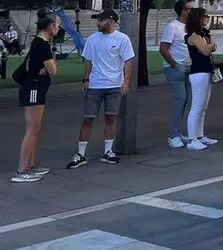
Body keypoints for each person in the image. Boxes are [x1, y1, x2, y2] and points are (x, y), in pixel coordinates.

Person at [66, 10, 134, 169]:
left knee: (111, 118)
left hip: (114, 85)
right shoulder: (92, 39)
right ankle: (81, 154)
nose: (98, 23)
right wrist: (86, 79)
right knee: (88, 118)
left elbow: (128, 62)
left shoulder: (122, 39)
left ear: (111, 21)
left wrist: (126, 82)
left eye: (101, 21)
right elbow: (88, 60)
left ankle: (108, 151)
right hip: (95, 85)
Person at [12, 15, 59, 183]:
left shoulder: (41, 44)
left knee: (36, 128)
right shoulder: (42, 44)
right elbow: (53, 70)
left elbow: (49, 68)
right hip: (33, 88)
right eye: (57, 25)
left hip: (37, 88)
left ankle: (30, 165)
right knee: (32, 129)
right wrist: (51, 67)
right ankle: (21, 169)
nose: (58, 28)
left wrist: (49, 67)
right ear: (50, 26)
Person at [159, 0, 192, 148]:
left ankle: (178, 132)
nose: (191, 11)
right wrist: (174, 64)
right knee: (180, 99)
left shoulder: (190, 27)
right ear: (183, 11)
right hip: (175, 67)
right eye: (189, 9)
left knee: (187, 100)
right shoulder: (172, 27)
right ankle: (173, 135)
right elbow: (163, 48)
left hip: (188, 66)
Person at [184, 7, 218, 150]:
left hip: (206, 70)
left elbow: (211, 47)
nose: (207, 19)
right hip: (198, 72)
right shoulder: (193, 36)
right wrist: (209, 46)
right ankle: (192, 139)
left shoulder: (203, 34)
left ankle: (200, 134)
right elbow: (205, 50)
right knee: (197, 106)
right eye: (205, 16)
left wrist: (209, 46)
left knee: (203, 106)